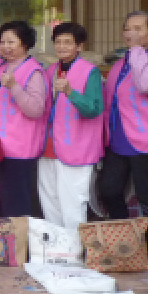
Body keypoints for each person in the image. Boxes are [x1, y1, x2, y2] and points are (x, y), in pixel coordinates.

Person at [38, 22, 104, 229]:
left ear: (79, 46)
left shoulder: (90, 72)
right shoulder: (50, 70)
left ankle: (75, 246)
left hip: (77, 147)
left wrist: (70, 92)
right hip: (48, 147)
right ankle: (57, 247)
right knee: (50, 202)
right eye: (58, 42)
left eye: (68, 42)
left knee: (73, 203)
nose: (61, 46)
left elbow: (94, 109)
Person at [0, 21, 47, 217]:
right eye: (2, 42)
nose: (5, 46)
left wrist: (14, 87)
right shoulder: (1, 67)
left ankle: (21, 238)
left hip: (20, 149)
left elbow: (36, 109)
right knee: (3, 201)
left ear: (24, 43)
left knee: (17, 205)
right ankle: (8, 236)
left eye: (11, 42)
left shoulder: (33, 71)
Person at [100, 11, 148, 233]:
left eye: (138, 29)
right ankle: (125, 240)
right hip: (118, 139)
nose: (131, 33)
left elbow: (145, 85)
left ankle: (147, 245)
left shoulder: (141, 58)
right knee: (109, 190)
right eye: (128, 28)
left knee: (147, 197)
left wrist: (137, 50)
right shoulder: (121, 63)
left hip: (145, 141)